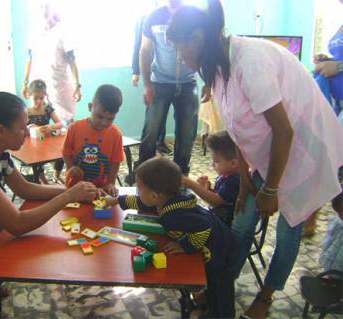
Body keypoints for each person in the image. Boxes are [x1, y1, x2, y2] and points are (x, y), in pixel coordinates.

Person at [166, 2, 343, 318]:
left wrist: (270, 190)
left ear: (196, 38)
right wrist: (247, 179)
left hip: (303, 148)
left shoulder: (251, 62)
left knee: (289, 227)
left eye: (181, 49)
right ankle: (223, 282)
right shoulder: (218, 65)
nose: (180, 58)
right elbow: (237, 127)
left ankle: (266, 296)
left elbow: (284, 132)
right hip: (270, 150)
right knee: (243, 218)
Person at [0, 92, 97, 311]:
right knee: (19, 247)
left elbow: (24, 188)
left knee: (34, 232)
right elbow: (17, 223)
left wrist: (69, 190)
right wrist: (68, 196)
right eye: (23, 127)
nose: (27, 133)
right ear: (0, 130)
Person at [105, 157, 236, 318]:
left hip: (221, 253)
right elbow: (143, 203)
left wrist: (185, 245)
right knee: (209, 286)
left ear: (155, 196)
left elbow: (204, 225)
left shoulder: (173, 216)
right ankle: (204, 303)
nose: (138, 193)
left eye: (139, 189)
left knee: (220, 290)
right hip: (215, 246)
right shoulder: (167, 199)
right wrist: (116, 200)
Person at [125, 0, 199, 185]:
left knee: (187, 133)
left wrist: (209, 81)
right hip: (160, 82)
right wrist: (147, 84)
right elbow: (145, 50)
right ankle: (143, 173)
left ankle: (180, 177)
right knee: (151, 130)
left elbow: (204, 47)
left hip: (189, 83)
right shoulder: (153, 17)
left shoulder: (195, 15)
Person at [22, 0, 82, 123]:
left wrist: (77, 85)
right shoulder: (34, 34)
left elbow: (72, 60)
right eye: (41, 6)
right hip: (39, 85)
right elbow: (30, 59)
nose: (44, 10)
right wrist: (25, 83)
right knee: (38, 122)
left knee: (65, 121)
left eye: (46, 6)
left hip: (59, 85)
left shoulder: (62, 31)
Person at [63, 84, 125, 197]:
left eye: (110, 119)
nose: (104, 123)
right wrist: (71, 167)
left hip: (102, 190)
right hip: (75, 188)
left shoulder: (116, 134)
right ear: (90, 106)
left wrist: (110, 183)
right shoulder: (74, 128)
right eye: (100, 117)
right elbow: (66, 152)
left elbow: (115, 162)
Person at [131, 5, 173, 155]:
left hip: (178, 77)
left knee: (162, 116)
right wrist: (136, 71)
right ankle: (145, 161)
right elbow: (140, 46)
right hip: (157, 76)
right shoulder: (148, 16)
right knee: (153, 121)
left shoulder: (181, 14)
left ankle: (160, 142)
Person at [183, 131, 239, 227]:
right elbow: (220, 196)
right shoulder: (225, 176)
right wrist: (207, 189)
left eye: (216, 161)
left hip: (223, 226)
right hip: (216, 217)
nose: (212, 165)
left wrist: (191, 184)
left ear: (233, 163)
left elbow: (215, 201)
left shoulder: (234, 181)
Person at [27, 79, 64, 183]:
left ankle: (56, 175)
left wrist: (51, 127)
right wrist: (29, 127)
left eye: (41, 98)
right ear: (29, 95)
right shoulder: (27, 111)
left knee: (62, 152)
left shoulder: (47, 109)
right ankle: (43, 180)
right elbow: (20, 129)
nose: (39, 101)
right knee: (37, 158)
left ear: (45, 96)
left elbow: (60, 123)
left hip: (47, 141)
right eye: (35, 98)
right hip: (33, 144)